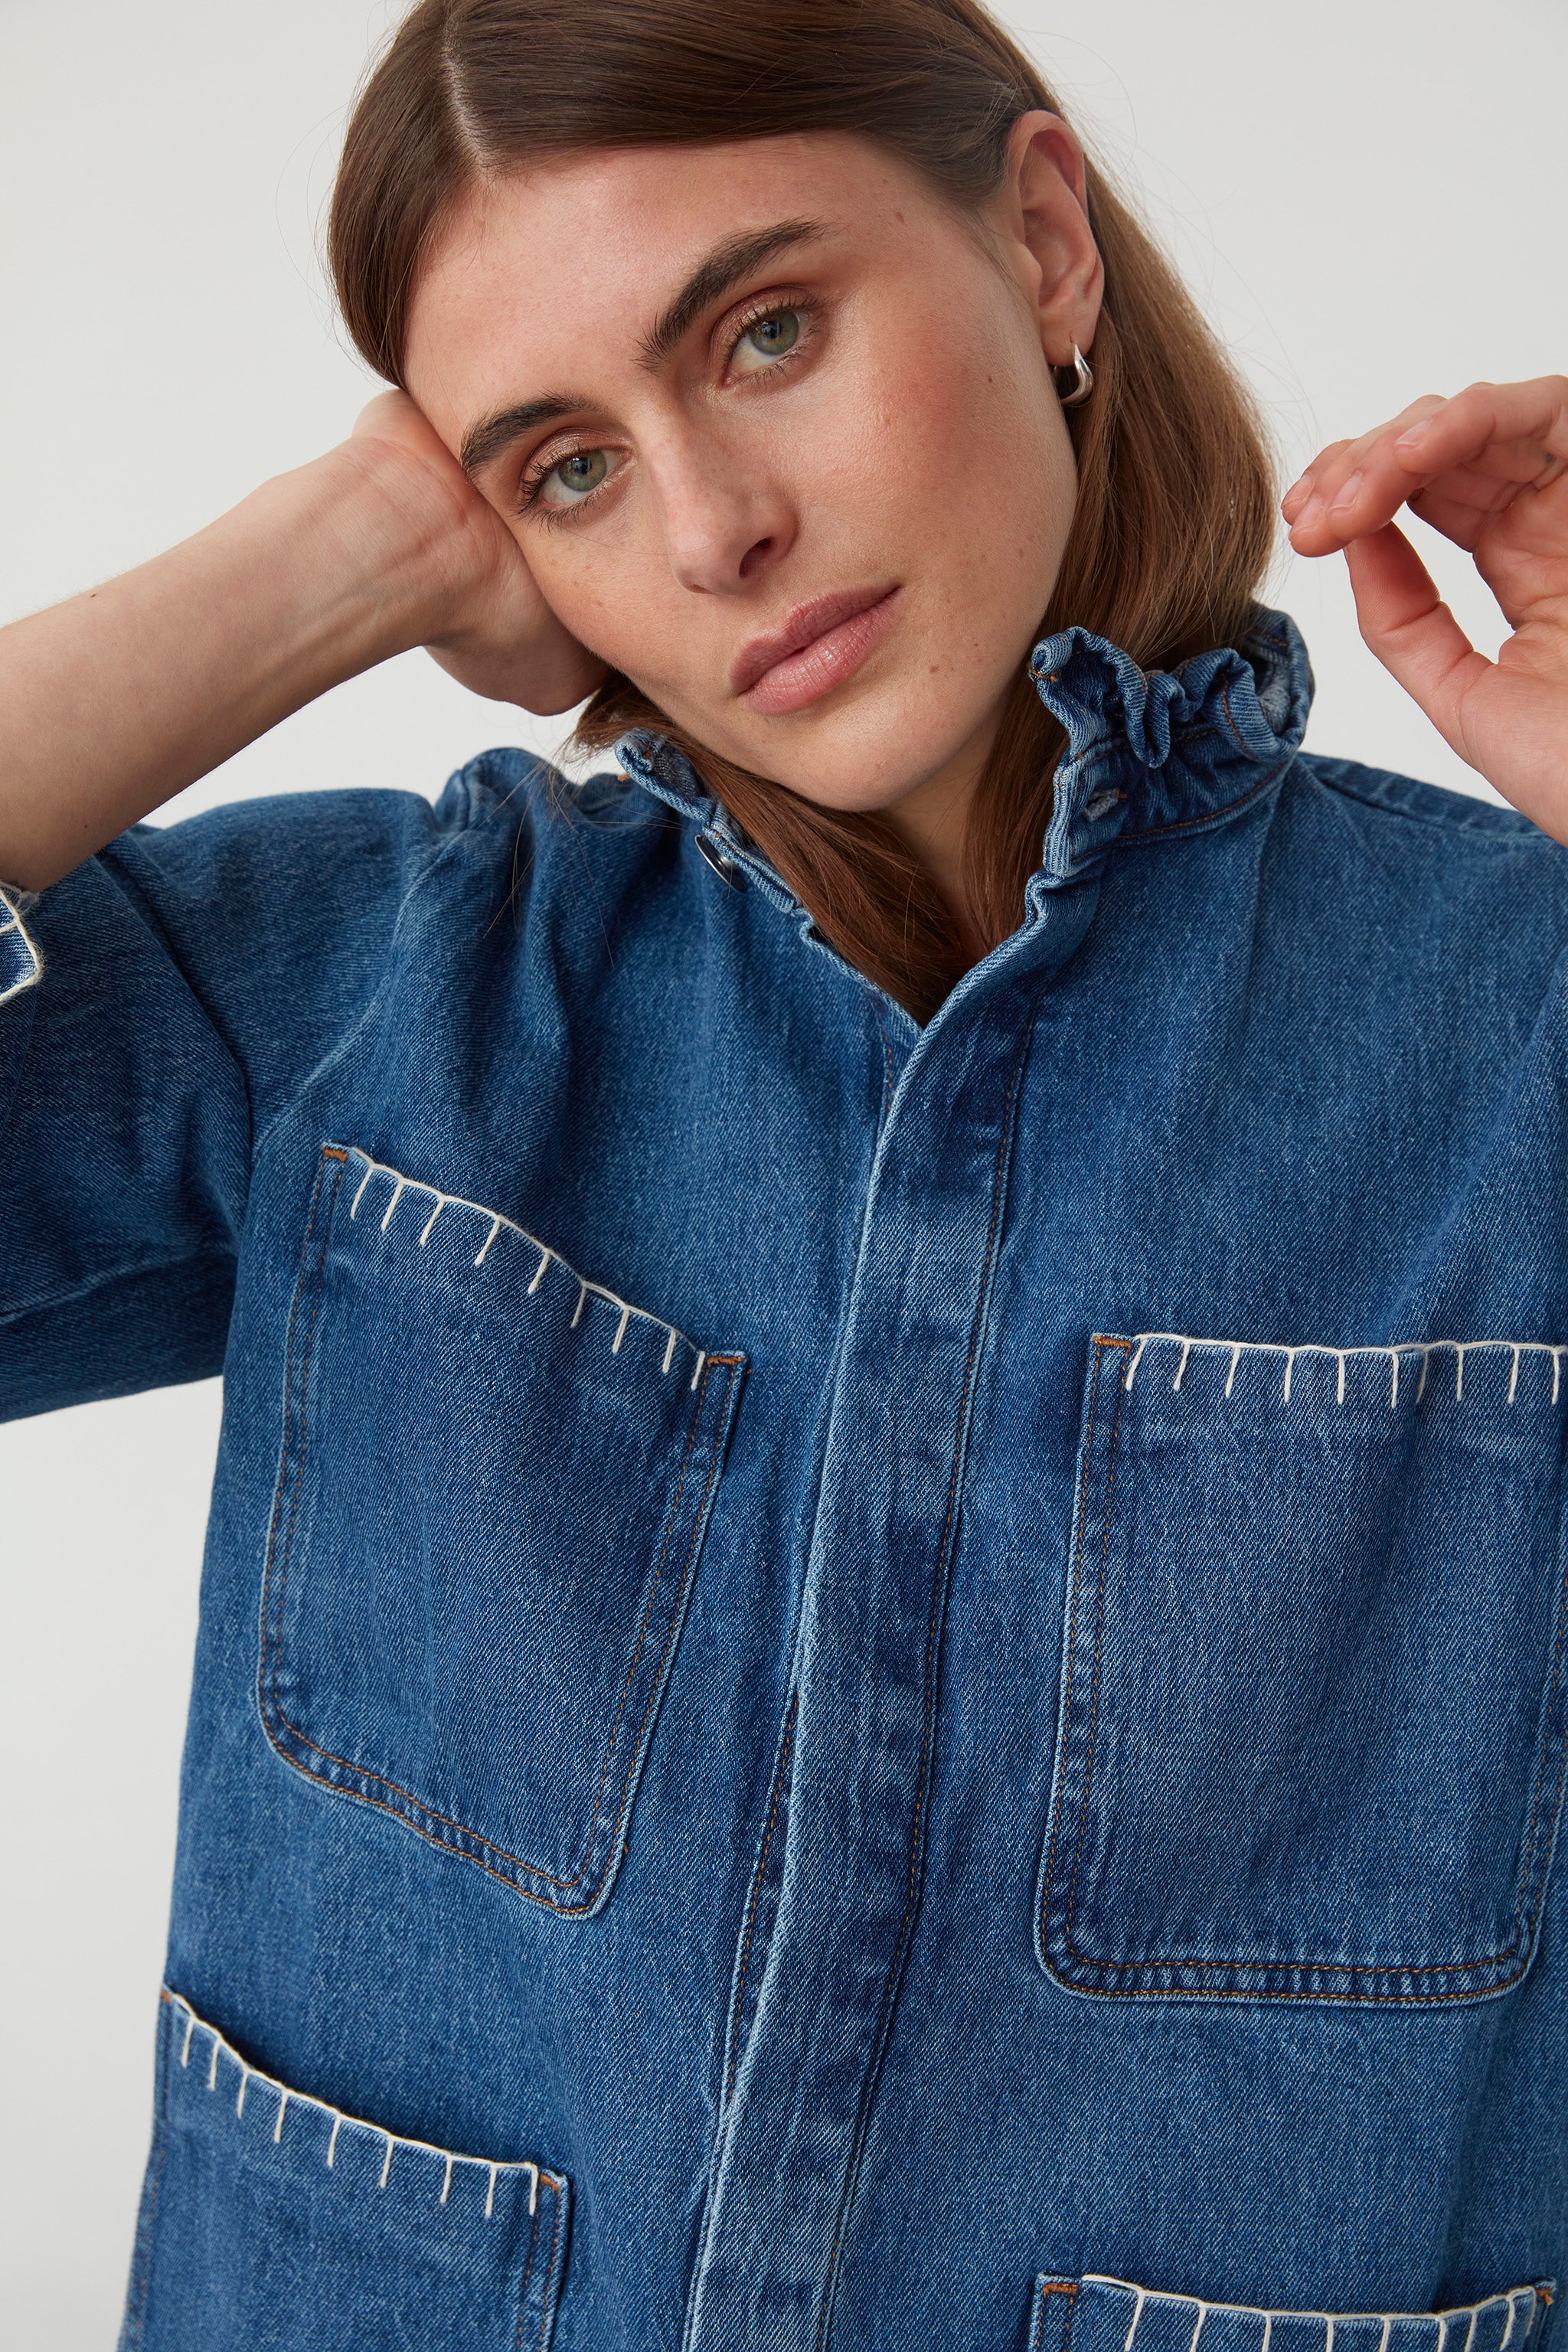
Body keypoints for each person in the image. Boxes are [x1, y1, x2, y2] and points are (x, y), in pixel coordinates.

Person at [2, 0, 1566, 2344]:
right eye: (563, 470)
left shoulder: (1522, 1021)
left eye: (763, 329)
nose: (718, 528)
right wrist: (330, 556)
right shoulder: (393, 988)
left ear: (1044, 245)